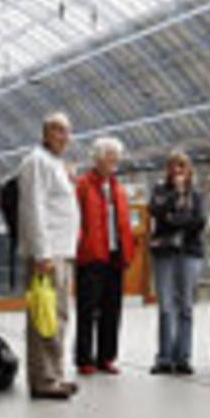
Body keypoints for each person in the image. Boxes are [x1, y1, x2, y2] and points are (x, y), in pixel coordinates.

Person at [17, 112, 81, 400]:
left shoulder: (56, 164)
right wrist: (42, 252)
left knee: (59, 315)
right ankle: (42, 380)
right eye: (57, 131)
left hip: (63, 251)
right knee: (44, 316)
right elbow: (34, 208)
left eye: (67, 132)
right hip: (48, 253)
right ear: (45, 133)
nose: (64, 137)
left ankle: (55, 374)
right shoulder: (36, 162)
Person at [74, 137, 136, 376]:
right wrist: (81, 245)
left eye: (116, 157)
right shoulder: (83, 185)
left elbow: (125, 223)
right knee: (87, 309)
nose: (114, 161)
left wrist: (128, 251)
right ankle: (84, 358)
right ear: (97, 159)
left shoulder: (118, 189)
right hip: (91, 256)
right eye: (110, 156)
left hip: (115, 256)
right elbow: (76, 219)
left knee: (112, 309)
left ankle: (106, 357)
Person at [149, 149, 207, 375]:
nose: (177, 171)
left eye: (182, 166)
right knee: (165, 306)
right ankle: (164, 357)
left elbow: (199, 221)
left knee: (186, 307)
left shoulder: (197, 195)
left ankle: (182, 357)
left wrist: (173, 219)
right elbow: (155, 211)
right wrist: (176, 197)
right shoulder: (160, 191)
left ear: (189, 169)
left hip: (190, 254)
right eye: (173, 166)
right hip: (164, 253)